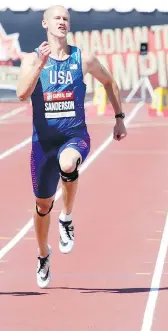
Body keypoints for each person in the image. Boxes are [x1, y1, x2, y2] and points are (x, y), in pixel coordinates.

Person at [16, 5, 127, 289]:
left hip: (74, 136)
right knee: (42, 205)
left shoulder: (83, 58)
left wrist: (119, 118)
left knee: (68, 164)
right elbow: (20, 95)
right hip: (43, 142)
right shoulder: (32, 60)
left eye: (66, 18)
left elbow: (109, 81)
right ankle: (43, 254)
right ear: (45, 23)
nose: (62, 22)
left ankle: (66, 217)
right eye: (57, 18)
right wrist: (40, 65)